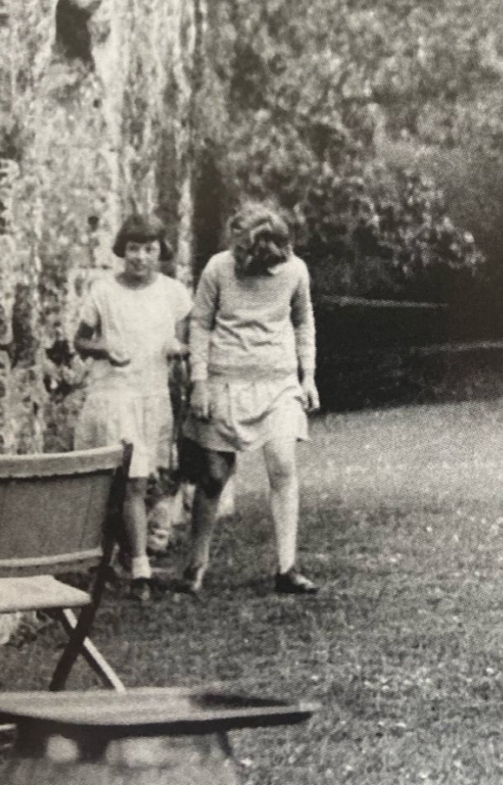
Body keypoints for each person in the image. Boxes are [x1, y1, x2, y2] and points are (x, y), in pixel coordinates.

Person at [183, 202, 320, 595]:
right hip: (224, 381)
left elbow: (303, 321)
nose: (239, 255)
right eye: (237, 246)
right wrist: (199, 382)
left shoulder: (295, 271)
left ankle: (287, 567)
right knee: (213, 477)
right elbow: (200, 324)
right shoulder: (217, 268)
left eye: (247, 250)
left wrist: (307, 377)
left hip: (278, 383)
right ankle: (196, 563)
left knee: (282, 464)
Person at [74, 213, 193, 602]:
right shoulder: (103, 291)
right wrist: (104, 347)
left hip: (152, 395)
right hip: (114, 397)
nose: (141, 257)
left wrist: (177, 350)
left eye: (149, 249)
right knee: (133, 480)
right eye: (133, 249)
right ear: (122, 251)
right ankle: (140, 567)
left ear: (161, 252)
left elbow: (177, 339)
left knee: (138, 483)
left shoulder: (173, 293)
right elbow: (81, 342)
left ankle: (118, 559)